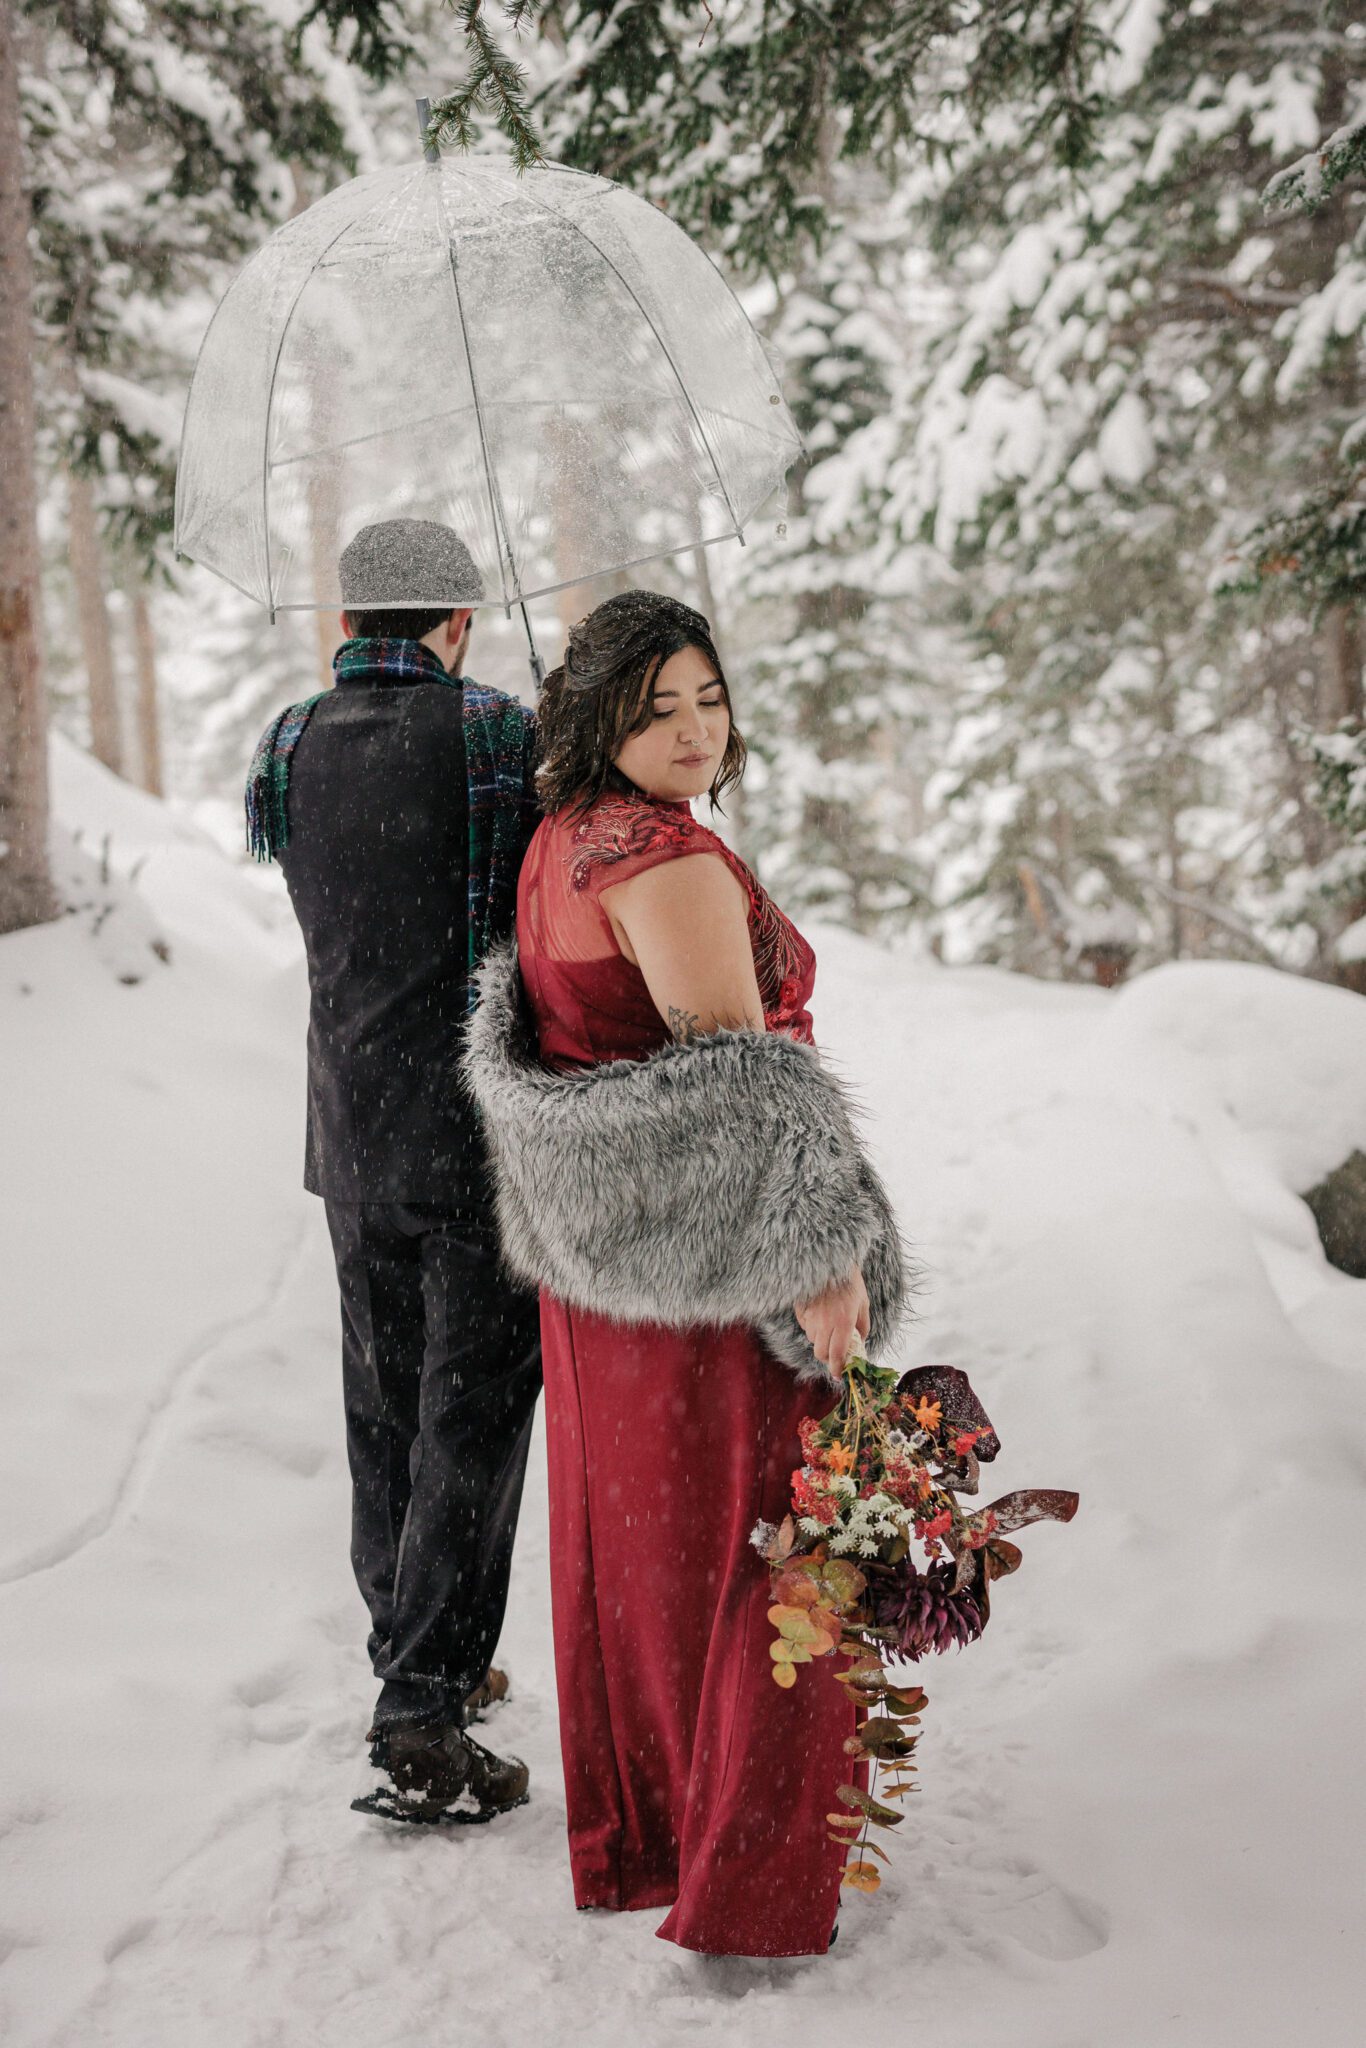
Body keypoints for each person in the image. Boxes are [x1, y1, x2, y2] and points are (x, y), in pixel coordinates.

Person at [463, 590, 906, 1954]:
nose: (693, 729)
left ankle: (653, 1828)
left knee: (640, 1553)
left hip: (610, 1271)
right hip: (716, 1268)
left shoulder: (558, 844)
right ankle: (747, 1872)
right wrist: (822, 1257)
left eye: (707, 697)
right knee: (760, 1545)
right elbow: (738, 1090)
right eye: (655, 708)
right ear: (596, 716)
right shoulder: (664, 862)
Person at [244, 518, 543, 1824]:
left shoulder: (292, 742)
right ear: (458, 620)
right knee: (468, 1425)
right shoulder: (497, 739)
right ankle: (425, 1706)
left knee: (385, 1409)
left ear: (349, 624)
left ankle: (407, 1648)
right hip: (476, 1135)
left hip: (349, 1135)